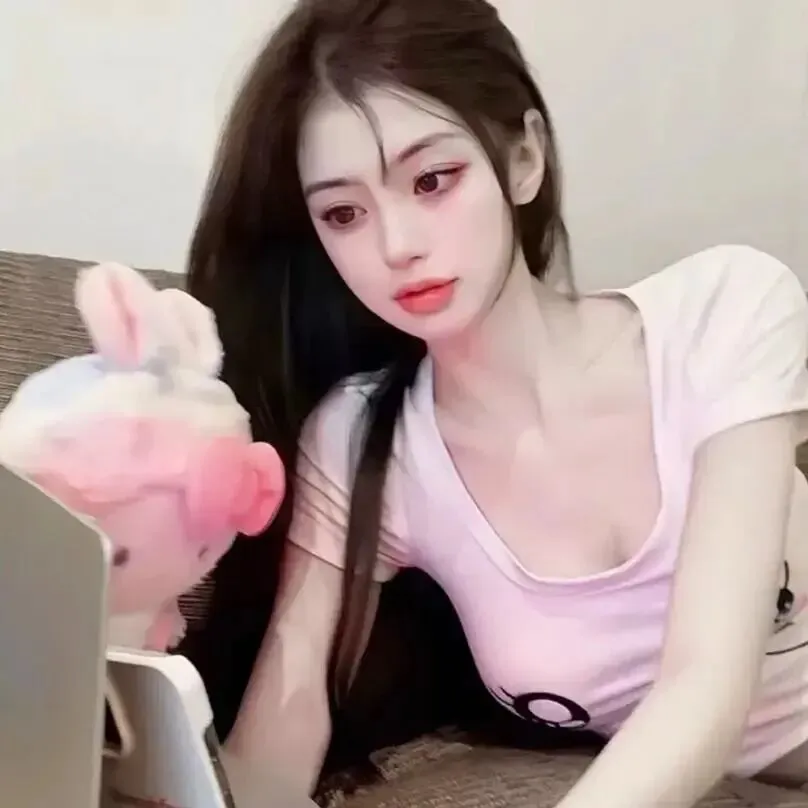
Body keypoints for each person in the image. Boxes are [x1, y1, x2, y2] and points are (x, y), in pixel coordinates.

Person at [184, 0, 808, 805]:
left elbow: (706, 685)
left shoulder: (723, 313)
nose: (397, 245)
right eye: (344, 214)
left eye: (432, 180)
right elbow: (284, 724)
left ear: (523, 157)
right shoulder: (360, 441)